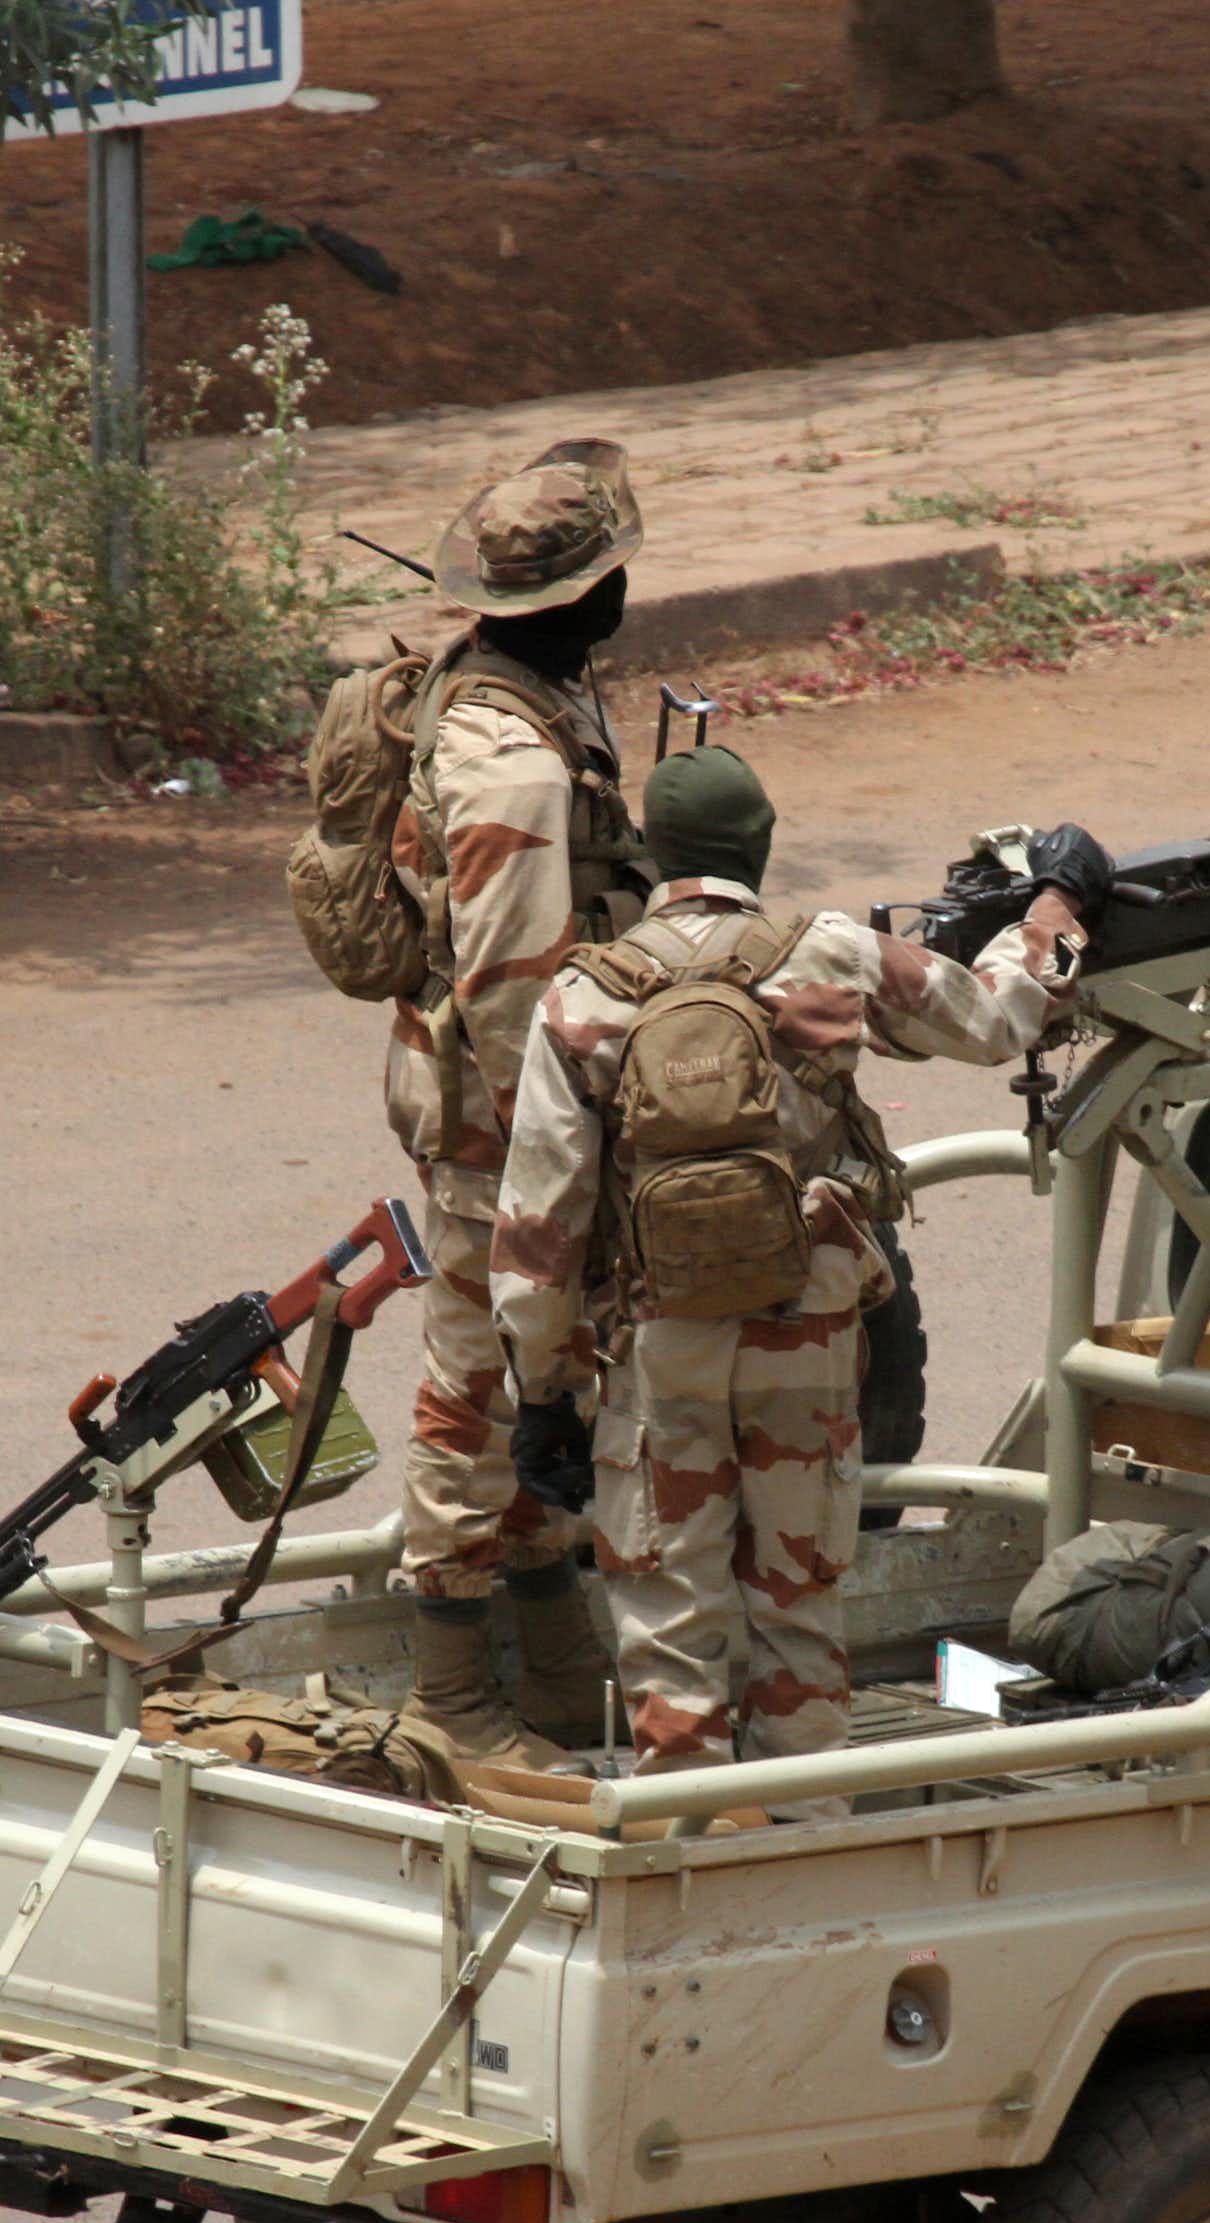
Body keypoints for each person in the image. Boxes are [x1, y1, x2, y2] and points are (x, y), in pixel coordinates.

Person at [489, 745, 1111, 1790]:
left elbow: (540, 1231)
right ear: (762, 846)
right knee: (797, 1600)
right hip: (808, 1333)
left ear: (653, 856)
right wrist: (1055, 904)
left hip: (662, 1344)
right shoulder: (831, 953)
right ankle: (803, 1827)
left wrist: (545, 1393)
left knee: (670, 1613)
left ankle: (693, 1829)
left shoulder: (579, 1000)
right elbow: (1003, 1013)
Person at [385, 439, 657, 1773]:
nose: (628, 594)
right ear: (576, 600)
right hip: (508, 1131)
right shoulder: (513, 765)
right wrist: (561, 1163)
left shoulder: (542, 696)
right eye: (615, 573)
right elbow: (508, 998)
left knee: (556, 1381)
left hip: (537, 1119)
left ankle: (553, 1665)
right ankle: (449, 1692)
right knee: (478, 1394)